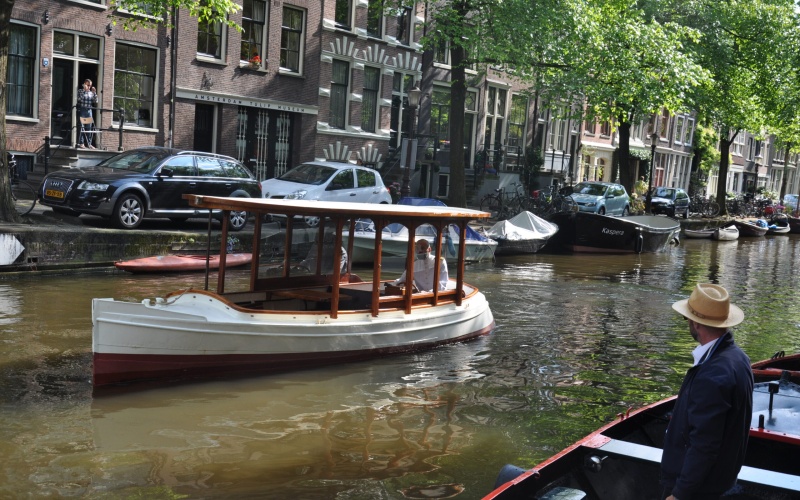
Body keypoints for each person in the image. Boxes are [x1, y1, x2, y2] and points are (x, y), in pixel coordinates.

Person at [661, 283, 753, 500]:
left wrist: (679, 494)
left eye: (687, 318)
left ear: (696, 323)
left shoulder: (712, 374)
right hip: (721, 480)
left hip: (698, 490)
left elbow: (704, 444)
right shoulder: (739, 359)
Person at [77, 79, 98, 149]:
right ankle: (81, 143)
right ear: (84, 84)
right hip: (83, 110)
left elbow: (96, 101)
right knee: (82, 127)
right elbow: (79, 99)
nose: (89, 87)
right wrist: (84, 91)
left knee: (89, 127)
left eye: (90, 85)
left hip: (89, 111)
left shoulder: (91, 93)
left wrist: (94, 93)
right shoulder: (80, 91)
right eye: (88, 85)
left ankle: (89, 143)